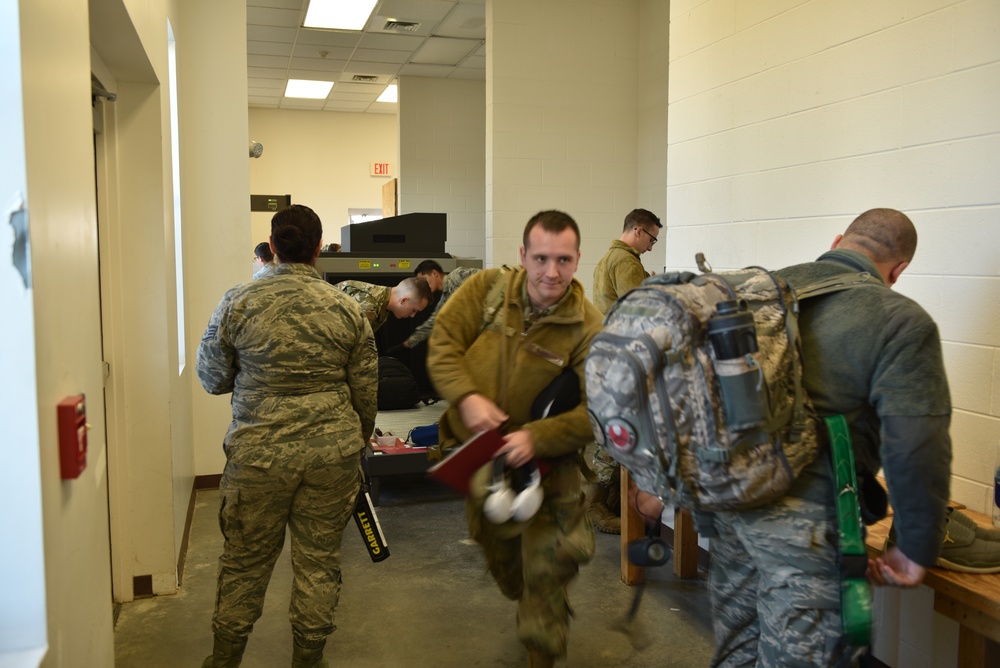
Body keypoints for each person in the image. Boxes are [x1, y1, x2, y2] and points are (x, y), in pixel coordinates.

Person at [631, 208, 952, 666]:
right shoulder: (900, 320)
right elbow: (917, 444)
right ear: (899, 270)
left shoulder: (758, 291)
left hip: (730, 508)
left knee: (738, 648)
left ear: (838, 239)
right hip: (809, 533)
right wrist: (916, 547)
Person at [197, 204, 378, 668]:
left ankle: (224, 659)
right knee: (319, 562)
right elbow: (365, 395)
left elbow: (212, 378)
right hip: (331, 457)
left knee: (244, 563)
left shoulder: (237, 302)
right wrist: (352, 447)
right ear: (318, 250)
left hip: (258, 457)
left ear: (273, 246)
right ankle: (308, 660)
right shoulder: (347, 309)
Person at [427, 210, 604, 667]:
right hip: (484, 461)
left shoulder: (588, 327)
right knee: (506, 562)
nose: (551, 272)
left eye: (563, 260)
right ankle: (528, 593)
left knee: (547, 566)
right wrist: (466, 398)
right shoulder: (484, 292)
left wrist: (536, 437)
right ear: (523, 255)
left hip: (552, 464)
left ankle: (541, 644)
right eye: (541, 258)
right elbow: (443, 343)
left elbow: (597, 411)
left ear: (578, 259)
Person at [587, 208, 663, 534]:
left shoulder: (607, 259)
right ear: (638, 230)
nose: (651, 246)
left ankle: (613, 504)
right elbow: (643, 309)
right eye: (652, 239)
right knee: (618, 431)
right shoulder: (626, 262)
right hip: (623, 360)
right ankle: (599, 507)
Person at [396, 260, 480, 350]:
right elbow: (431, 324)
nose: (423, 286)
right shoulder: (445, 300)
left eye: (424, 280)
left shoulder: (456, 276)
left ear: (434, 273)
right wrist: (407, 344)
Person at [335, 276, 432, 333]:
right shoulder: (369, 306)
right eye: (414, 310)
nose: (412, 315)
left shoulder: (383, 303)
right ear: (404, 300)